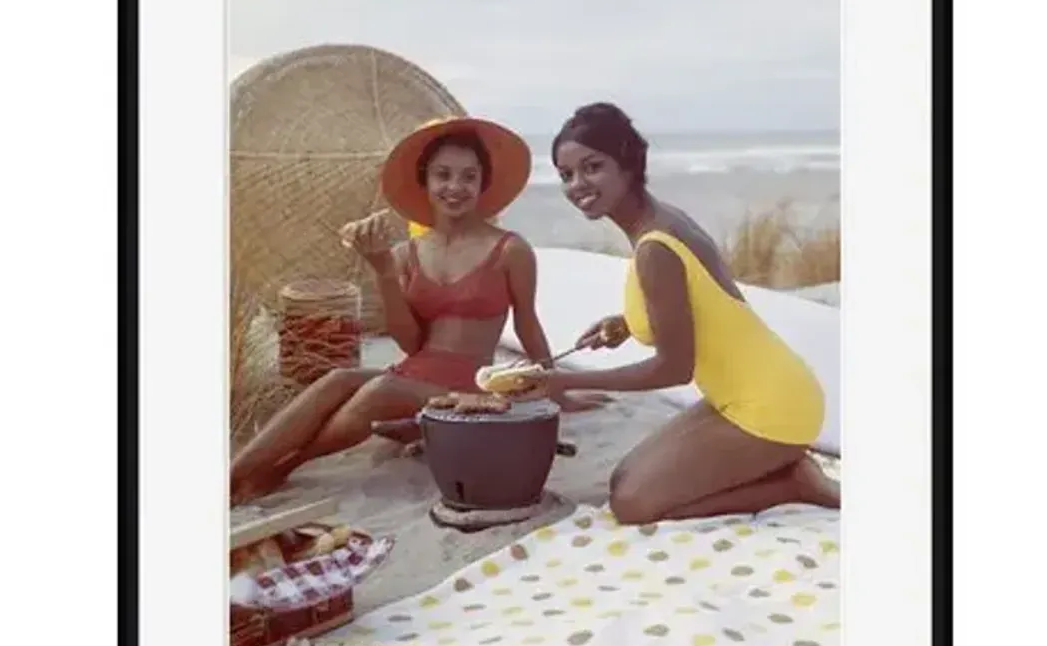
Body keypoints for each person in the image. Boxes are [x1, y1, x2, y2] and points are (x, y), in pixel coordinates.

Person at [230, 116, 585, 505]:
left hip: (472, 384)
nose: (455, 187)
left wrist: (556, 389)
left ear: (483, 184)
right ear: (426, 182)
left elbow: (528, 324)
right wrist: (383, 272)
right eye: (443, 175)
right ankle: (235, 473)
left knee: (380, 389)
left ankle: (279, 468)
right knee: (337, 379)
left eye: (469, 176)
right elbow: (412, 343)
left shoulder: (511, 250)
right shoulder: (406, 255)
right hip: (415, 373)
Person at [519, 103, 839, 525]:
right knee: (624, 480)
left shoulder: (655, 247)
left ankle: (794, 482)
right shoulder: (660, 222)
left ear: (629, 164)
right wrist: (625, 324)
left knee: (631, 506)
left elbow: (674, 370)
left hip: (772, 405)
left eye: (592, 167)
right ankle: (777, 466)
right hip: (740, 395)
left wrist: (565, 380)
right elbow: (701, 303)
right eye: (566, 174)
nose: (577, 184)